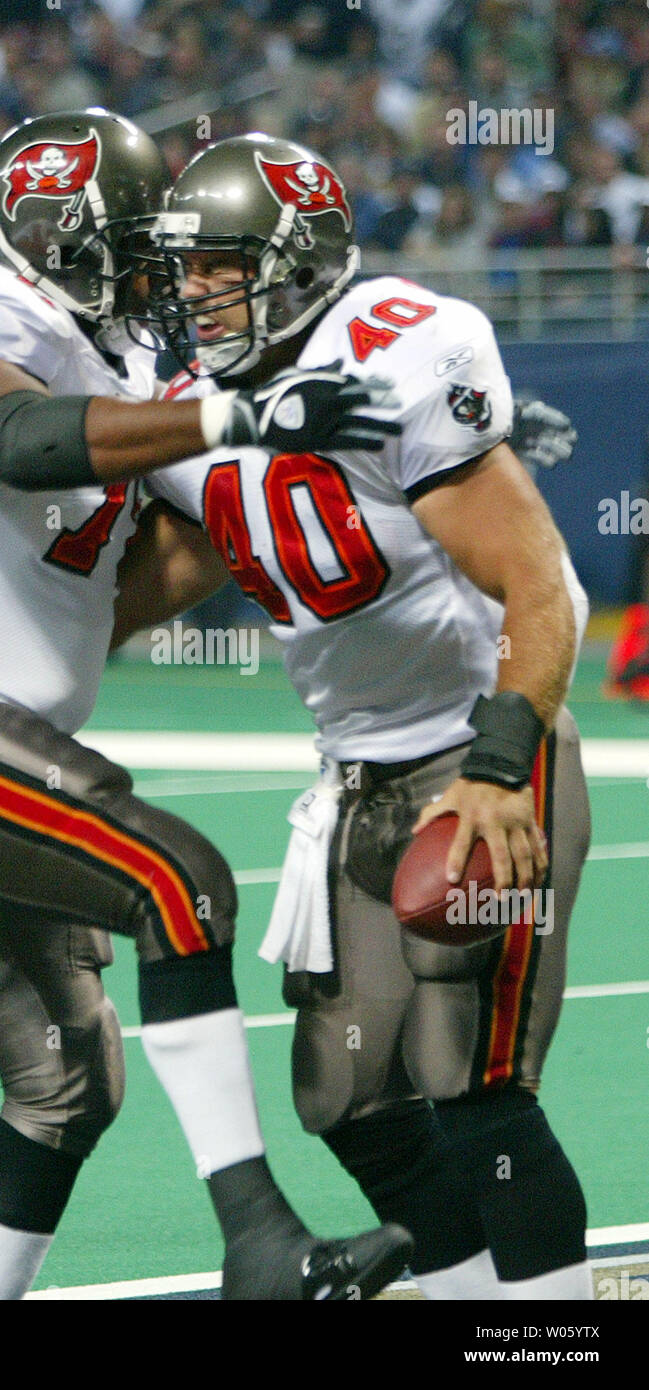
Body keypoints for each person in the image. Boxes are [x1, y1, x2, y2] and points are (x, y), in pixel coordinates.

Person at [0, 109, 413, 1301]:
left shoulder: (134, 372)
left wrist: (381, 469)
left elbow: (179, 552)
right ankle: (260, 1244)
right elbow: (14, 438)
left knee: (66, 1075)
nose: (160, 278)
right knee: (177, 883)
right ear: (59, 239)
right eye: (137, 248)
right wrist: (223, 419)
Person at [114, 131, 593, 1300]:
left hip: (479, 750)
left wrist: (496, 764)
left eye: (223, 264)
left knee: (467, 1078)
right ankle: (477, 1304)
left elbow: (541, 586)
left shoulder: (394, 354)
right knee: (343, 1094)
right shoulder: (189, 401)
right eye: (186, 266)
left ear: (300, 261)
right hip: (355, 777)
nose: (195, 289)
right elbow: (178, 561)